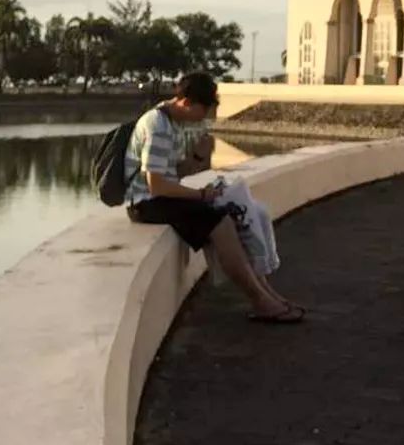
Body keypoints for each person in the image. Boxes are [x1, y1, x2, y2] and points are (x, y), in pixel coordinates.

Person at [124, 71, 303, 324]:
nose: (203, 118)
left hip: (160, 198)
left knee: (232, 211)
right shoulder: (158, 127)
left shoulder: (171, 123)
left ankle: (267, 294)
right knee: (221, 223)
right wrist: (200, 194)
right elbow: (156, 186)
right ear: (187, 102)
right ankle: (261, 301)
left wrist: (198, 158)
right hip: (145, 204)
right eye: (203, 111)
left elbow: (174, 174)